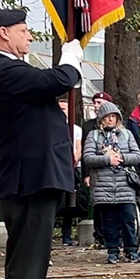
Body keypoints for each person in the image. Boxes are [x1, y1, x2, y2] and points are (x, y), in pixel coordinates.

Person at [0, 9, 82, 279]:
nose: (30, 36)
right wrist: (70, 57)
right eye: (24, 30)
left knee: (30, 259)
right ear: (4, 33)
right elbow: (57, 80)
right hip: (28, 181)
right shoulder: (3, 69)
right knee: (28, 261)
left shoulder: (5, 69)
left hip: (30, 179)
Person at [84, 103, 140, 263]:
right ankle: (112, 251)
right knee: (109, 221)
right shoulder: (94, 136)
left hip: (125, 184)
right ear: (101, 119)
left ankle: (131, 250)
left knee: (128, 220)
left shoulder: (127, 134)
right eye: (107, 117)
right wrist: (107, 159)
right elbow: (88, 158)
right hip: (104, 185)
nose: (110, 119)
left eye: (113, 116)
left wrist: (121, 158)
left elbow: (137, 156)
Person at [81, 92, 114, 247]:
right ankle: (100, 236)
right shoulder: (88, 126)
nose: (96, 105)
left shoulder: (119, 125)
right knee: (99, 204)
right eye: (95, 102)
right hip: (97, 171)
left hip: (115, 172)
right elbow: (85, 151)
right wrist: (86, 174)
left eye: (100, 102)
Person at [57, 98, 83, 246]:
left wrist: (74, 160)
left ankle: (67, 234)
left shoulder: (76, 129)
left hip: (71, 169)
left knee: (69, 202)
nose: (62, 112)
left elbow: (79, 148)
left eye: (64, 109)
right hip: (56, 168)